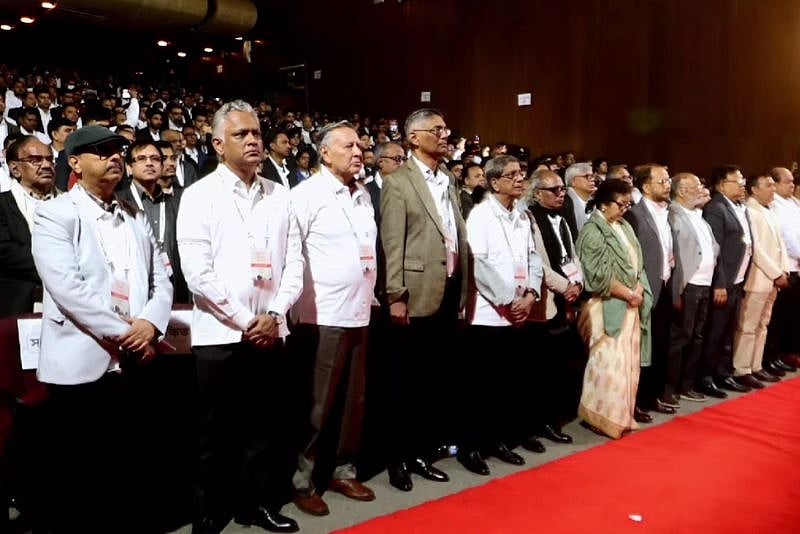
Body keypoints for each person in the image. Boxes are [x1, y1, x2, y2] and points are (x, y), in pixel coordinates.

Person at [30, 125, 173, 533]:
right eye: (101, 151)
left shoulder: (134, 213)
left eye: (117, 150)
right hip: (82, 359)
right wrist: (129, 334)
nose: (114, 157)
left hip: (136, 358)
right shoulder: (55, 212)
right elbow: (67, 288)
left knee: (128, 465)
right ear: (74, 162)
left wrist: (150, 323)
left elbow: (161, 278)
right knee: (80, 472)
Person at [177, 100, 303, 534]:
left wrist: (274, 314)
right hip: (220, 334)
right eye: (241, 134)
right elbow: (197, 272)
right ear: (217, 144)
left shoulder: (279, 194)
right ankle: (209, 511)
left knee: (264, 427)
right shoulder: (198, 196)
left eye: (256, 134)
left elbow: (295, 263)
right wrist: (246, 320)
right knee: (214, 432)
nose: (253, 141)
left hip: (271, 329)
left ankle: (256, 505)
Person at [290, 121, 377, 516]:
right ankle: (302, 480)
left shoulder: (363, 194)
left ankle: (343, 469)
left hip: (361, 310)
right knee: (317, 405)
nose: (358, 152)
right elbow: (292, 255)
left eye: (360, 145)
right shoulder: (305, 195)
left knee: (352, 402)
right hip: (322, 314)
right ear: (324, 153)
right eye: (347, 146)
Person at [380, 108, 468, 491]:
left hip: (447, 288)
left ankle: (421, 452)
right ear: (413, 138)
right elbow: (392, 244)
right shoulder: (398, 182)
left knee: (433, 379)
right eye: (437, 129)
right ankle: (397, 458)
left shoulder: (448, 179)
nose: (445, 135)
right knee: (405, 383)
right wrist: (396, 295)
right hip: (414, 294)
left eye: (446, 129)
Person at [461, 155, 543, 475]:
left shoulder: (522, 215)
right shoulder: (481, 215)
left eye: (521, 174)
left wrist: (531, 294)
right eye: (512, 175)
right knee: (480, 386)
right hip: (489, 313)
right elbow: (478, 264)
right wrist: (510, 300)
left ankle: (498, 440)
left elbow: (533, 258)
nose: (520, 179)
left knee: (507, 383)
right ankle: (471, 447)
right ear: (494, 183)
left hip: (519, 310)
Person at [576, 178, 652, 439]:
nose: (624, 209)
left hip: (631, 302)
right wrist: (628, 293)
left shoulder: (624, 226)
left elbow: (637, 264)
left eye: (628, 204)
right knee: (607, 363)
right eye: (621, 204)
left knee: (628, 363)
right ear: (603, 204)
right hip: (606, 304)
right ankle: (599, 417)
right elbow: (596, 274)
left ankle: (623, 416)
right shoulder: (592, 231)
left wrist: (638, 289)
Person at [526, 169, 585, 444]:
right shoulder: (531, 219)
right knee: (541, 368)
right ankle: (538, 423)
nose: (561, 194)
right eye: (554, 190)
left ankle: (553, 417)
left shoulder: (561, 218)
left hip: (566, 300)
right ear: (537, 193)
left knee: (559, 365)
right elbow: (537, 263)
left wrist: (578, 283)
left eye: (562, 189)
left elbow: (572, 256)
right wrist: (564, 286)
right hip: (545, 301)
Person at [625, 164, 674, 418]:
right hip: (643, 289)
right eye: (662, 181)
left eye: (668, 180)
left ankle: (654, 395)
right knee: (641, 349)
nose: (668, 185)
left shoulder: (668, 212)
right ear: (645, 187)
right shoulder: (634, 215)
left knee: (660, 345)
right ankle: (637, 401)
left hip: (664, 285)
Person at [731, 173, 789, 387]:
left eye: (774, 185)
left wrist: (783, 270)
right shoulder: (750, 211)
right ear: (754, 189)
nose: (773, 189)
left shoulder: (769, 210)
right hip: (758, 277)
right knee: (748, 325)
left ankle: (756, 365)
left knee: (762, 324)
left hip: (773, 278)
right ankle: (741, 368)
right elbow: (756, 248)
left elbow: (780, 244)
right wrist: (775, 272)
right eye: (768, 185)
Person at [667, 173, 722, 400]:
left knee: (697, 337)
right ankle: (670, 388)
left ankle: (687, 385)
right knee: (681, 338)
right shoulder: (673, 214)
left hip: (705, 283)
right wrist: (677, 290)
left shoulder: (698, 215)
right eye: (696, 186)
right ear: (681, 191)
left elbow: (712, 247)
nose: (701, 190)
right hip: (688, 285)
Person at [701, 165, 753, 393]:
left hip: (738, 280)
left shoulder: (738, 206)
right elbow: (716, 250)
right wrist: (720, 283)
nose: (742, 185)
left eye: (743, 181)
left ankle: (723, 373)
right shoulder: (716, 208)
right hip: (724, 281)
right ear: (722, 185)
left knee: (727, 331)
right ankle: (706, 376)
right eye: (737, 181)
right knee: (715, 331)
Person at [0, 136, 58, 317]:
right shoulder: (2, 205)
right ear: (15, 168)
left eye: (50, 159)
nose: (46, 165)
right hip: (17, 306)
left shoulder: (71, 202)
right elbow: (5, 251)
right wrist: (60, 266)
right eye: (35, 160)